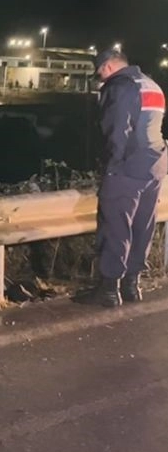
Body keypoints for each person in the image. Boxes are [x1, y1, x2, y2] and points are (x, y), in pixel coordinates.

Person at [77, 49, 167, 307]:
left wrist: (111, 166)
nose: (101, 79)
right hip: (154, 166)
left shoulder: (119, 86)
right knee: (142, 226)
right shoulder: (150, 84)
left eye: (100, 74)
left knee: (115, 227)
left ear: (107, 67)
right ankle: (131, 286)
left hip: (127, 168)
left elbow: (116, 131)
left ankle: (108, 290)